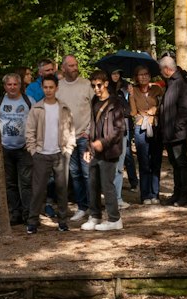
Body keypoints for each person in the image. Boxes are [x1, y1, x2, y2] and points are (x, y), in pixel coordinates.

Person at [24, 74, 76, 234]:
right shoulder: (37, 108)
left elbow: (71, 130)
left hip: (60, 154)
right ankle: (32, 222)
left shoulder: (64, 108)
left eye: (51, 87)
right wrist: (33, 151)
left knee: (62, 190)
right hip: (41, 155)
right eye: (45, 87)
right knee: (38, 190)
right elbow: (29, 131)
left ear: (56, 88)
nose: (48, 90)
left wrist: (68, 150)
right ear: (42, 88)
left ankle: (62, 221)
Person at [81, 73, 128, 232]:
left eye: (99, 85)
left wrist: (103, 143)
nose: (96, 89)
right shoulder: (94, 101)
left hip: (110, 151)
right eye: (93, 85)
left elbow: (119, 129)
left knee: (107, 184)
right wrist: (90, 147)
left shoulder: (115, 103)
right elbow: (92, 126)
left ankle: (114, 218)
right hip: (96, 149)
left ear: (106, 84)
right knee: (92, 183)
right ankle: (95, 216)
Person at [55, 56, 94, 221]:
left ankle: (94, 208)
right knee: (74, 174)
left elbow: (96, 107)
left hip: (84, 136)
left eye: (76, 65)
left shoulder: (86, 85)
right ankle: (81, 207)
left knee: (87, 173)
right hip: (67, 138)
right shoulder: (59, 87)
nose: (74, 67)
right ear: (63, 68)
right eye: (71, 65)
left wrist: (90, 131)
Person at [159, 56, 187, 207]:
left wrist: (178, 127)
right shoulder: (171, 83)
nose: (161, 73)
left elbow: (186, 108)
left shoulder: (181, 83)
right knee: (175, 164)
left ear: (167, 69)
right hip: (169, 131)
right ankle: (177, 193)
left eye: (162, 70)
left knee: (181, 164)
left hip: (177, 132)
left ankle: (184, 196)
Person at [0, 75, 32, 227]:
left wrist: (31, 142)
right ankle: (15, 213)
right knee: (10, 183)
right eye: (9, 84)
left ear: (20, 85)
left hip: (24, 149)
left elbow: (36, 122)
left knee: (25, 183)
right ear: (4, 86)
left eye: (15, 84)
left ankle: (28, 214)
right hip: (4, 149)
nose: (12, 87)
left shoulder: (29, 101)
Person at [127, 65, 161, 204]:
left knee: (156, 161)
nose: (143, 77)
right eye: (140, 75)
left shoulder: (157, 89)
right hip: (141, 127)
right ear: (136, 77)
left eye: (146, 74)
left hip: (155, 126)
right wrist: (131, 96)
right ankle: (145, 195)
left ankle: (155, 193)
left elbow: (163, 105)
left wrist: (154, 109)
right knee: (144, 162)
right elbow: (133, 113)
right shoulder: (133, 90)